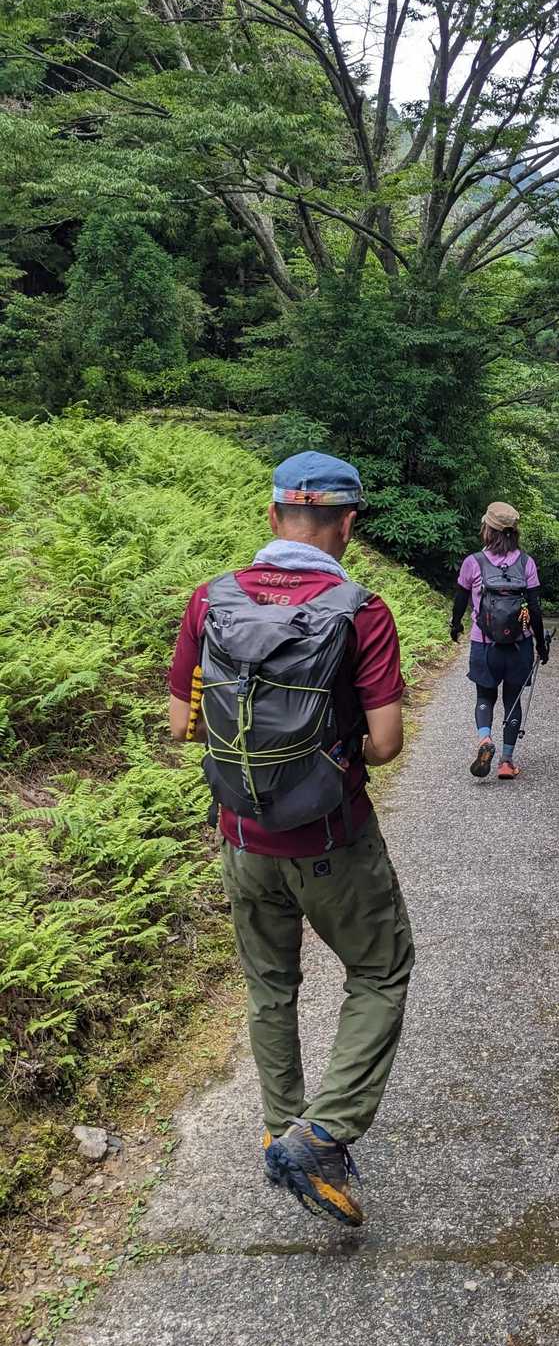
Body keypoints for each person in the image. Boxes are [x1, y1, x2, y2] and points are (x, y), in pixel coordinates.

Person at [167, 452, 413, 1226]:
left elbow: (180, 725)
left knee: (270, 985)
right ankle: (323, 1133)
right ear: (348, 524)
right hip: (332, 839)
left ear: (273, 516)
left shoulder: (210, 600)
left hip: (241, 836)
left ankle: (281, 1128)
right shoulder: (361, 611)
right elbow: (386, 744)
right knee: (380, 969)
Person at [450, 501, 547, 780]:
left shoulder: (473, 562)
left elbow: (460, 600)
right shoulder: (526, 563)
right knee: (513, 699)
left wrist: (455, 626)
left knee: (485, 696)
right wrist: (540, 644)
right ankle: (506, 762)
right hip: (519, 644)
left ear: (487, 529)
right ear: (514, 532)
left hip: (484, 643)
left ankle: (485, 739)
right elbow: (534, 608)